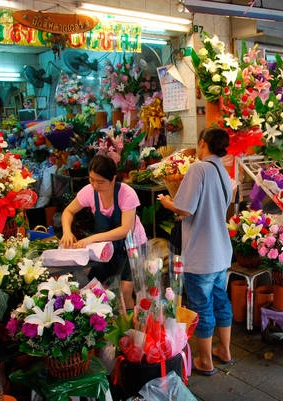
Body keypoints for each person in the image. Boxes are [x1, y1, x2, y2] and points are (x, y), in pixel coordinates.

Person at [158, 127, 233, 376]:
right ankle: (224, 350)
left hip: (201, 255)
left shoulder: (198, 169)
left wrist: (169, 203)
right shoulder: (223, 171)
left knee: (202, 306)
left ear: (203, 143)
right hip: (221, 252)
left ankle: (205, 361)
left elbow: (186, 209)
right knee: (221, 301)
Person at [60, 155, 147, 309]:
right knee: (95, 286)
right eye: (91, 179)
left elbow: (125, 229)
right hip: (107, 246)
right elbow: (68, 211)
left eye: (100, 181)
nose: (94, 185)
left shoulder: (126, 193)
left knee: (125, 290)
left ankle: (132, 329)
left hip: (132, 245)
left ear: (113, 179)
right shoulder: (89, 191)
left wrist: (91, 239)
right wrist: (67, 232)